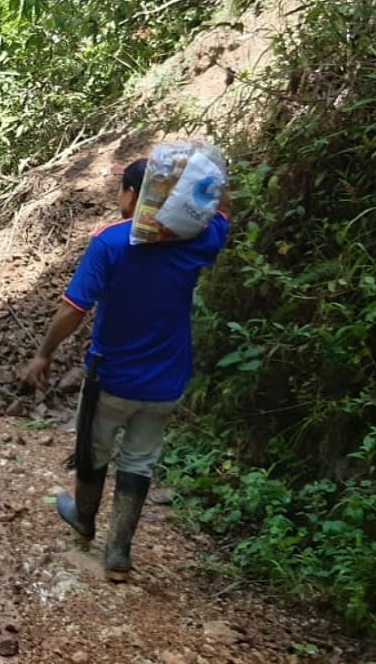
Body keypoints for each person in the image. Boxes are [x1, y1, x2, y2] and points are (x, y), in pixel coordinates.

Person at [23, 156, 229, 581]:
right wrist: (207, 171)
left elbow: (73, 310)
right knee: (140, 460)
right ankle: (118, 553)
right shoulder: (199, 239)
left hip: (111, 378)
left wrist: (43, 353)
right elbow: (223, 210)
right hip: (167, 381)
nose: (118, 196)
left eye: (122, 190)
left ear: (136, 195)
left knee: (94, 451)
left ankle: (84, 518)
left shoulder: (112, 242)